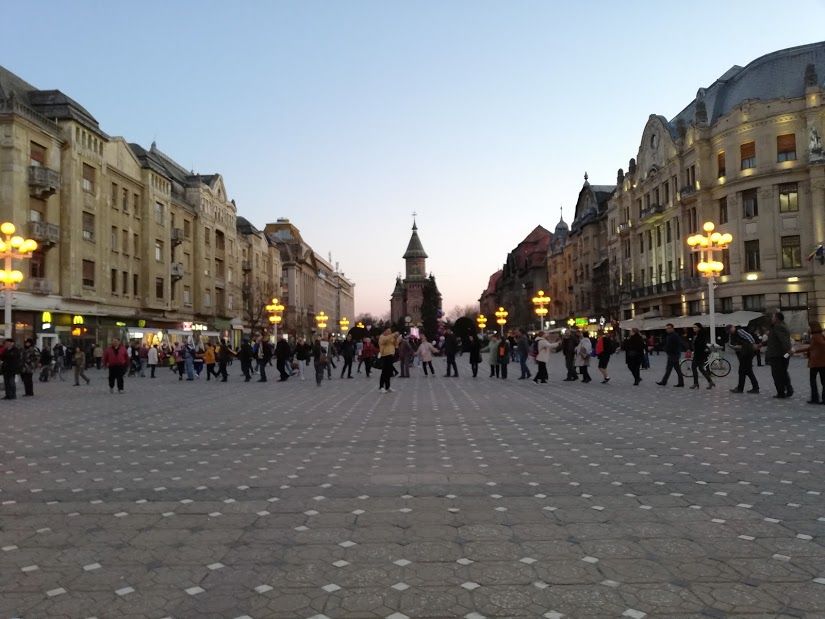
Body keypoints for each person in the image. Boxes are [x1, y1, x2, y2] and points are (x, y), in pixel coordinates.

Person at [794, 321, 825, 404]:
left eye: (809, 326)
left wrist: (796, 350)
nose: (808, 328)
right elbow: (813, 348)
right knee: (823, 381)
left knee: (813, 380)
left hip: (816, 362)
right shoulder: (820, 335)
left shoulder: (815, 337)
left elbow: (814, 347)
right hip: (821, 362)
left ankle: (815, 398)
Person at [765, 311, 793, 399]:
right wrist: (762, 344)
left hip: (778, 355)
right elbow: (774, 340)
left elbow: (784, 340)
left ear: (777, 319)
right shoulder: (779, 326)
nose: (771, 319)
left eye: (773, 317)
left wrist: (788, 350)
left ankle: (781, 392)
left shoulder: (778, 327)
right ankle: (788, 390)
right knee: (783, 372)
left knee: (777, 374)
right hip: (782, 354)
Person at [727, 325, 759, 394]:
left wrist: (752, 345)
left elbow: (749, 337)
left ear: (733, 327)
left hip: (747, 353)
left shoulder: (739, 331)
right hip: (743, 354)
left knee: (744, 371)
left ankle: (744, 388)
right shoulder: (733, 334)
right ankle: (743, 388)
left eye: (730, 330)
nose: (730, 332)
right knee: (745, 371)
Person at [689, 322, 715, 389]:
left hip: (699, 355)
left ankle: (696, 383)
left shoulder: (701, 335)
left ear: (699, 328)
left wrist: (695, 352)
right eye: (693, 327)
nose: (693, 328)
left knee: (694, 367)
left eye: (695, 327)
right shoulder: (698, 334)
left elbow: (701, 346)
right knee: (701, 369)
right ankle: (710, 382)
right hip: (700, 355)